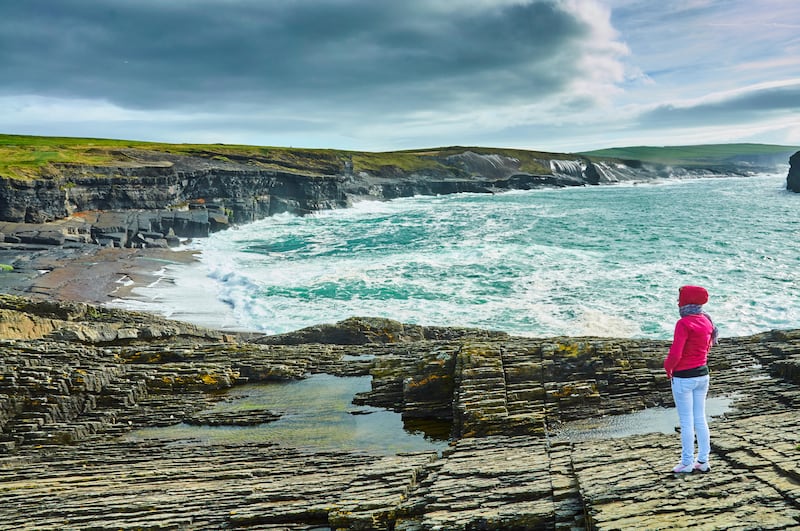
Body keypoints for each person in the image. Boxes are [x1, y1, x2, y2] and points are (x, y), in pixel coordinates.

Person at [663, 285, 719, 473]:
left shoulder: (684, 323)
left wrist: (668, 368)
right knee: (700, 419)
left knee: (687, 422)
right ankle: (703, 461)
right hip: (703, 375)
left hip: (684, 378)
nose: (678, 302)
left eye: (680, 298)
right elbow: (707, 348)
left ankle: (687, 462)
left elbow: (676, 354)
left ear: (686, 302)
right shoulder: (707, 320)